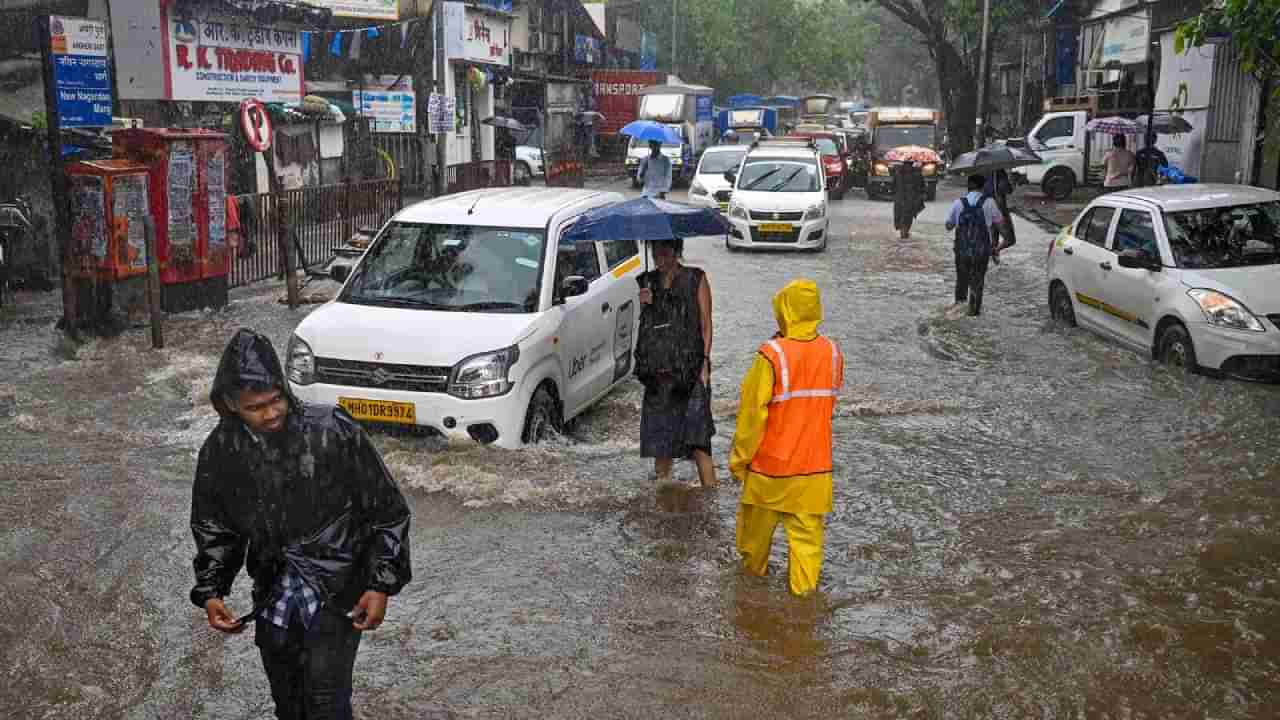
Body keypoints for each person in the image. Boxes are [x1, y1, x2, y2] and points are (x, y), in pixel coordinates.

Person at [190, 329, 412, 719]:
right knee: (289, 706)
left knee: (327, 705)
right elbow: (215, 526)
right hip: (273, 593)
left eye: (277, 399)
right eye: (256, 407)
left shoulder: (331, 429)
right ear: (230, 404)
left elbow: (387, 510)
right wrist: (212, 590)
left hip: (336, 589)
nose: (272, 412)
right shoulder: (222, 449)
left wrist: (381, 584)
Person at [730, 280, 844, 596]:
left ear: (784, 309)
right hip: (815, 473)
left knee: (753, 553)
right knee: (808, 554)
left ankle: (752, 609)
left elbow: (752, 415)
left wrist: (739, 461)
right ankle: (804, 617)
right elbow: (826, 405)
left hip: (770, 473)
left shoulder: (771, 354)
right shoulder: (833, 353)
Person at [636, 238, 716, 488]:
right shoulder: (647, 282)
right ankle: (664, 499)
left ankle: (710, 499)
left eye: (665, 252)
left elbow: (706, 323)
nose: (660, 258)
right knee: (661, 445)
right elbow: (647, 329)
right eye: (655, 252)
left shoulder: (696, 278)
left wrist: (704, 362)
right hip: (658, 373)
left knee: (699, 440)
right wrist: (645, 304)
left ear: (676, 251)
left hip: (690, 371)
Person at [946, 175, 1005, 317]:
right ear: (983, 187)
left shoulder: (958, 203)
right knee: (978, 280)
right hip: (981, 250)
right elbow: (1001, 226)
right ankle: (974, 311)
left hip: (962, 249)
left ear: (968, 186)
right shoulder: (990, 202)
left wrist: (956, 222)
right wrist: (998, 247)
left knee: (962, 278)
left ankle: (958, 309)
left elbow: (948, 226)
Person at [983, 168, 1016, 263]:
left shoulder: (984, 172)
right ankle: (994, 251)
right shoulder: (999, 172)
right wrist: (1012, 181)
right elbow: (1006, 189)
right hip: (999, 210)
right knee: (1010, 240)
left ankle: (992, 253)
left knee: (994, 238)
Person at [892, 160, 926, 239]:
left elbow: (893, 187)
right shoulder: (917, 173)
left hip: (901, 200)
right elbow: (922, 188)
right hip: (910, 200)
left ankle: (903, 234)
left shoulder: (898, 173)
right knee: (907, 218)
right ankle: (904, 234)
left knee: (901, 218)